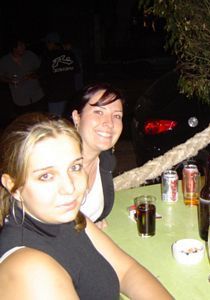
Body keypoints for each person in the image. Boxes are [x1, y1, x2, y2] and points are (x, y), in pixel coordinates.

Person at [0, 113, 172, 299]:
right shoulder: (30, 270)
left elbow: (126, 271)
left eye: (74, 167)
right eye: (46, 176)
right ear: (13, 186)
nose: (70, 188)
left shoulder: (68, 218)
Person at [71, 83, 123, 228]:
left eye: (117, 116)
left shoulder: (107, 162)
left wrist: (95, 220)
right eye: (99, 112)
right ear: (77, 117)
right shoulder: (54, 164)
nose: (109, 123)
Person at [0, 36, 46, 115]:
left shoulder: (30, 55)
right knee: (26, 123)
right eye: (21, 45)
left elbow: (42, 70)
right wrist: (10, 81)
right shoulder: (5, 60)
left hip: (37, 95)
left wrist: (33, 75)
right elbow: (1, 77)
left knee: (41, 118)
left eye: (24, 45)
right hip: (20, 99)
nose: (24, 47)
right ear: (14, 48)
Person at [40, 32, 79, 117]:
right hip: (70, 95)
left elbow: (43, 77)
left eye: (47, 43)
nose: (46, 45)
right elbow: (77, 72)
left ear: (51, 43)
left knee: (57, 123)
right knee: (70, 121)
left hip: (55, 97)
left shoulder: (47, 56)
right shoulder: (70, 54)